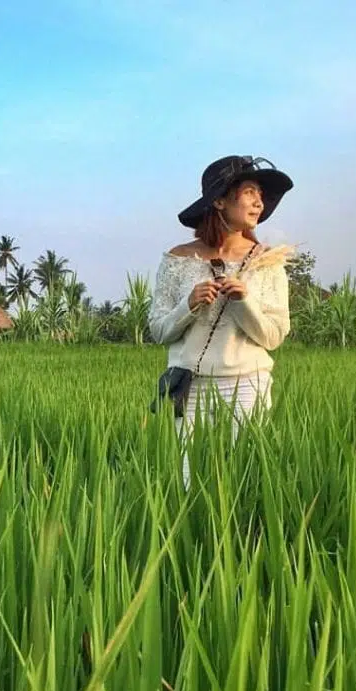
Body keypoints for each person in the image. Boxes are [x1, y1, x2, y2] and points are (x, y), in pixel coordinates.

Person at [148, 155, 295, 487]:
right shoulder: (178, 259)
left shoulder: (267, 262)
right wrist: (189, 304)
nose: (259, 202)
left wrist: (243, 302)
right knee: (186, 481)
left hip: (248, 387)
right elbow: (158, 330)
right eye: (249, 192)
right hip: (190, 387)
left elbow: (273, 337)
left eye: (261, 195)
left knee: (245, 481)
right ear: (219, 201)